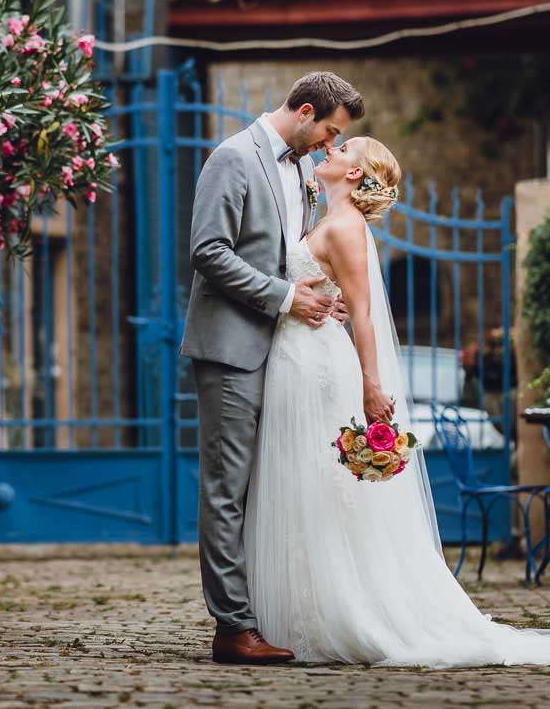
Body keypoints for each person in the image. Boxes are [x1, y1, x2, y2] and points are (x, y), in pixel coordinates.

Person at [242, 135, 550, 666]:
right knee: (305, 483)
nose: (332, 149)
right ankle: (304, 609)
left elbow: (363, 314)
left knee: (327, 488)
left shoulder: (345, 228)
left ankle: (335, 613)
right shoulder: (327, 218)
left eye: (343, 149)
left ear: (355, 174)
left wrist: (371, 385)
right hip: (296, 358)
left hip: (317, 366)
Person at [180, 72, 364, 664]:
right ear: (305, 111)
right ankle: (234, 628)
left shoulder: (302, 172)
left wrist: (316, 296)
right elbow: (208, 251)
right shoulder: (232, 158)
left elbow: (285, 254)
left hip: (286, 351)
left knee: (273, 486)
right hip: (231, 349)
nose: (330, 145)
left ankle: (272, 611)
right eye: (329, 131)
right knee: (227, 489)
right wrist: (285, 298)